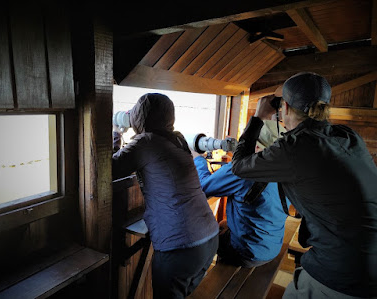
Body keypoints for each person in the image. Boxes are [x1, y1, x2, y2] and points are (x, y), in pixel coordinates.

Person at [231, 72, 377, 298]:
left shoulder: (295, 147)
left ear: (285, 107)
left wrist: (258, 118)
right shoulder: (348, 136)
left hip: (344, 269)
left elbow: (239, 165)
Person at [112, 93, 219, 299]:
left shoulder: (146, 141)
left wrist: (116, 134)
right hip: (208, 238)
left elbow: (111, 168)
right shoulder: (178, 141)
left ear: (140, 117)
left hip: (181, 246)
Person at [192, 120, 290, 268]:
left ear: (255, 146)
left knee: (198, 235)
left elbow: (203, 187)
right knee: (224, 224)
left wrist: (198, 159)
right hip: (271, 247)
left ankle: (206, 277)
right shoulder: (285, 170)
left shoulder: (244, 170)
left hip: (246, 253)